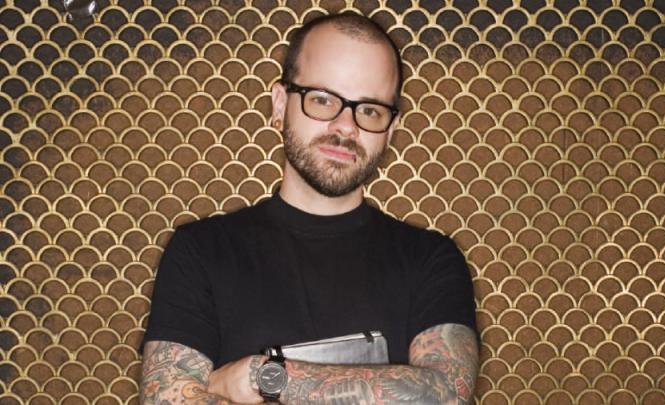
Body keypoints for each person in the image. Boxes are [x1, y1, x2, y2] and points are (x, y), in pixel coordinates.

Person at [140, 12, 479, 404]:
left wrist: (263, 375)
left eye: (369, 109)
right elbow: (167, 399)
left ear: (391, 129)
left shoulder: (432, 260)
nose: (345, 126)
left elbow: (446, 396)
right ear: (280, 103)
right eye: (322, 100)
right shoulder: (198, 251)